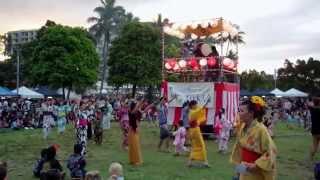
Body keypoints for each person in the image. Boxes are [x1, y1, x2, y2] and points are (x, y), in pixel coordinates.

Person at [230, 96, 277, 180]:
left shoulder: (261, 130)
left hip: (256, 170)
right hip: (244, 167)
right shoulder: (243, 126)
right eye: (239, 110)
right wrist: (239, 170)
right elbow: (240, 149)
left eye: (242, 111)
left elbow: (271, 151)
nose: (239, 113)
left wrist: (255, 165)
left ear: (251, 113)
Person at [187, 100, 209, 167]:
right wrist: (206, 103)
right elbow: (199, 111)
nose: (197, 105)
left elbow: (199, 111)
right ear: (193, 105)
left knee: (195, 146)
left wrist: (204, 105)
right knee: (202, 146)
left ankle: (190, 162)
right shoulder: (192, 112)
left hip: (192, 130)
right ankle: (205, 162)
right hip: (195, 131)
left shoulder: (191, 112)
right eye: (196, 104)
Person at [128, 100, 143, 166]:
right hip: (132, 130)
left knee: (135, 146)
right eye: (136, 105)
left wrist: (150, 105)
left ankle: (133, 160)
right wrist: (140, 102)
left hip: (134, 130)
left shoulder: (135, 112)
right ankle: (135, 161)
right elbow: (136, 108)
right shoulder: (131, 112)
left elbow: (143, 110)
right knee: (134, 146)